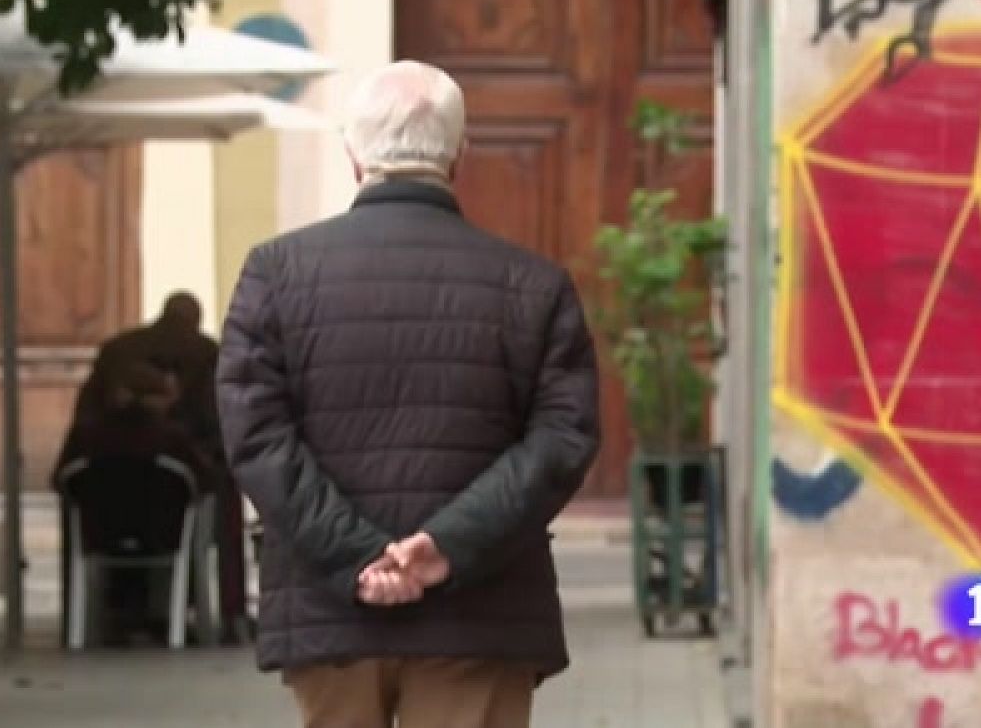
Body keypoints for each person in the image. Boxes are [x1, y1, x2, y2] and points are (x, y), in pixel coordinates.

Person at [216, 60, 601, 728]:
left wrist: (357, 555)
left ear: (353, 154)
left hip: (329, 613)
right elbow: (562, 440)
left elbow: (254, 435)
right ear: (460, 154)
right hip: (480, 616)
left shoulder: (275, 274)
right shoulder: (533, 284)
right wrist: (445, 545)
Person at [52, 293, 251, 643]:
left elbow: (61, 479)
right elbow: (215, 452)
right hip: (170, 521)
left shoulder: (91, 429)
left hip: (101, 523)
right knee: (218, 497)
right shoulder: (203, 360)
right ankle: (228, 614)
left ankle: (105, 614)